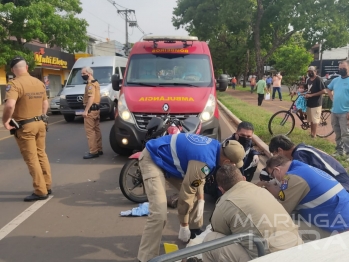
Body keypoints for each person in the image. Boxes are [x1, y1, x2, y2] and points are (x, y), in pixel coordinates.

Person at [137, 134, 245, 262]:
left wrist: (201, 198)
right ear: (227, 162)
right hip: (153, 159)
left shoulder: (216, 148)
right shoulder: (205, 160)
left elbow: (198, 178)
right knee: (159, 213)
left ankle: (194, 234)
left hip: (169, 161)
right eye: (234, 164)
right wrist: (183, 224)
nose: (234, 167)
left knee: (194, 196)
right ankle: (146, 258)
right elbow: (186, 195)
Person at [202, 165, 302, 262]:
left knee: (210, 239)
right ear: (244, 178)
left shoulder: (224, 204)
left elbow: (221, 232)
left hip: (270, 257)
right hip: (298, 250)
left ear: (221, 189)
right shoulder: (263, 191)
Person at [2, 56, 52, 202]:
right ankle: (47, 185)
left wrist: (5, 121)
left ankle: (40, 190)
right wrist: (41, 116)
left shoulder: (14, 84)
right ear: (27, 68)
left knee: (32, 159)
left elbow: (10, 105)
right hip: (40, 123)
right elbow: (45, 104)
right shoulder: (39, 82)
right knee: (41, 154)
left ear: (13, 70)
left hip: (25, 127)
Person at [263, 155, 349, 240]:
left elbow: (281, 210)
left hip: (340, 229)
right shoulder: (302, 167)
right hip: (340, 217)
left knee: (277, 227)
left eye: (272, 175)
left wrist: (269, 192)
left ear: (277, 170)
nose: (274, 179)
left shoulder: (294, 177)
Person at [268, 135, 349, 191]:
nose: (276, 158)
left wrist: (276, 183)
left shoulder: (299, 156)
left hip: (341, 186)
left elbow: (298, 182)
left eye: (275, 154)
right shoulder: (303, 149)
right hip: (341, 179)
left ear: (280, 151)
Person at [204, 121, 260, 199]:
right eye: (242, 135)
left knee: (255, 161)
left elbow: (250, 147)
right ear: (236, 133)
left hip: (238, 166)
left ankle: (244, 186)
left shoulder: (247, 142)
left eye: (248, 136)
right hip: (224, 170)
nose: (246, 138)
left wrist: (255, 153)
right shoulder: (228, 145)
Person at [327, 60, 349, 158]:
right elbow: (328, 89)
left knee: (346, 134)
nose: (341, 70)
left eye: (343, 68)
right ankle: (339, 151)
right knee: (337, 133)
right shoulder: (335, 80)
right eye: (340, 68)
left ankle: (348, 153)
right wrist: (332, 98)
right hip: (334, 111)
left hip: (345, 112)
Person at [81, 67, 103, 159]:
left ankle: (93, 151)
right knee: (96, 130)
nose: (82, 75)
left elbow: (91, 97)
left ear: (89, 73)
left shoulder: (90, 84)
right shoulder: (96, 83)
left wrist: (86, 110)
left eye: (83, 73)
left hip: (91, 111)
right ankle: (99, 149)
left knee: (90, 131)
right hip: (96, 110)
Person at [304, 66, 326, 138]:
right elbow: (307, 89)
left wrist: (311, 95)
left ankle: (314, 134)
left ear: (315, 71)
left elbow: (323, 91)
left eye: (311, 71)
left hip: (316, 103)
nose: (310, 73)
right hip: (309, 103)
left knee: (315, 120)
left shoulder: (318, 79)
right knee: (311, 119)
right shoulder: (308, 80)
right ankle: (312, 134)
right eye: (309, 72)